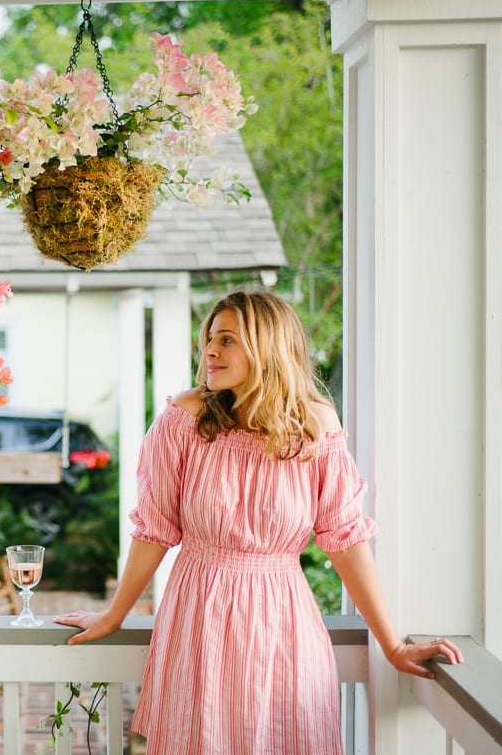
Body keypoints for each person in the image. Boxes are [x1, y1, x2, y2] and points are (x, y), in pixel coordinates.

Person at [54, 290, 462, 754]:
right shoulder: (184, 419)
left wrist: (391, 645)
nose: (209, 350)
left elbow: (344, 539)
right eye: (209, 338)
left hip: (283, 626)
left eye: (226, 339)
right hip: (199, 619)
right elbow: (155, 529)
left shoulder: (315, 425)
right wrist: (114, 615)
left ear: (266, 347)